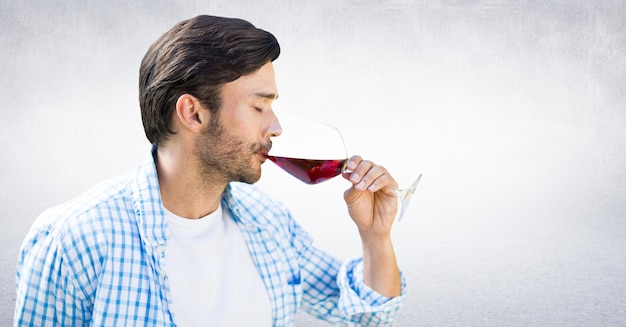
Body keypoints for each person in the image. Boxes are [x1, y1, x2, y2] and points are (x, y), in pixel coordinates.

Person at [15, 15, 405, 326]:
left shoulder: (269, 224)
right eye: (258, 107)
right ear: (193, 113)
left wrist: (375, 235)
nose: (276, 127)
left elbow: (369, 314)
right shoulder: (74, 239)